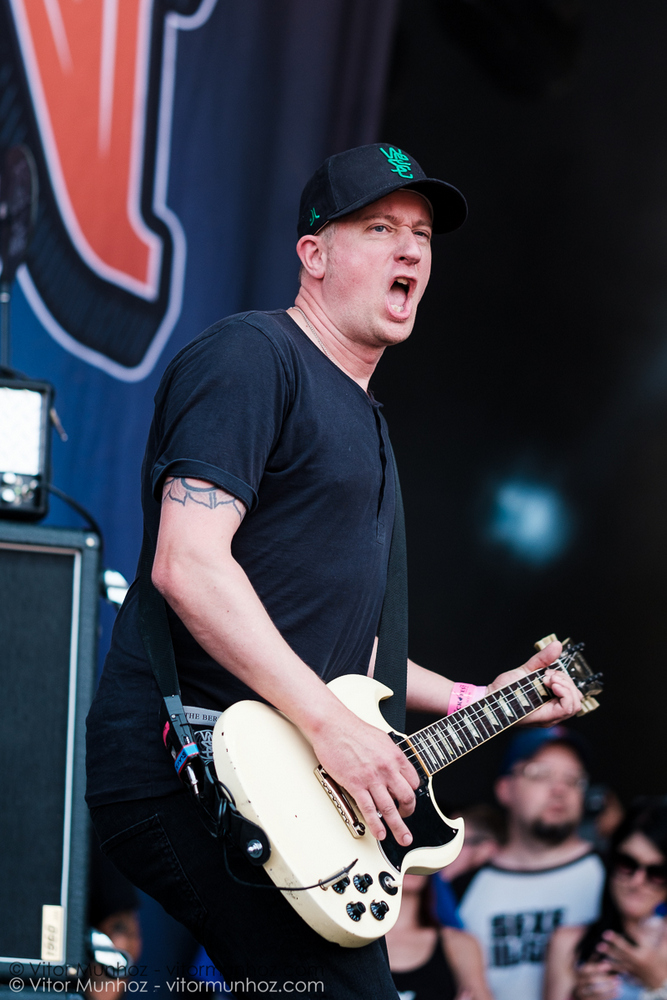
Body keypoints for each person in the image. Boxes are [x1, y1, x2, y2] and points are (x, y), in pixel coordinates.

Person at [85, 143, 584, 998]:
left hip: (290, 777)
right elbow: (188, 566)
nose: (410, 251)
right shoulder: (252, 356)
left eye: (422, 235)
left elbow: (358, 659)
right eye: (379, 227)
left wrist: (486, 698)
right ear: (312, 255)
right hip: (195, 764)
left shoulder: (366, 421)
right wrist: (329, 729)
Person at [456, 726, 605, 1000]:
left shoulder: (617, 877)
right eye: (540, 774)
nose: (560, 789)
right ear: (505, 789)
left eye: (573, 779)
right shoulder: (462, 886)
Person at [544, 797, 667, 1000]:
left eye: (657, 873)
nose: (638, 881)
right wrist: (577, 996)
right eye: (627, 864)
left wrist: (658, 981)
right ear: (611, 863)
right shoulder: (568, 943)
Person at [387, 873, 493, 1000]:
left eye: (418, 856)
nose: (409, 866)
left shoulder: (459, 943)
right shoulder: (358, 946)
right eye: (394, 855)